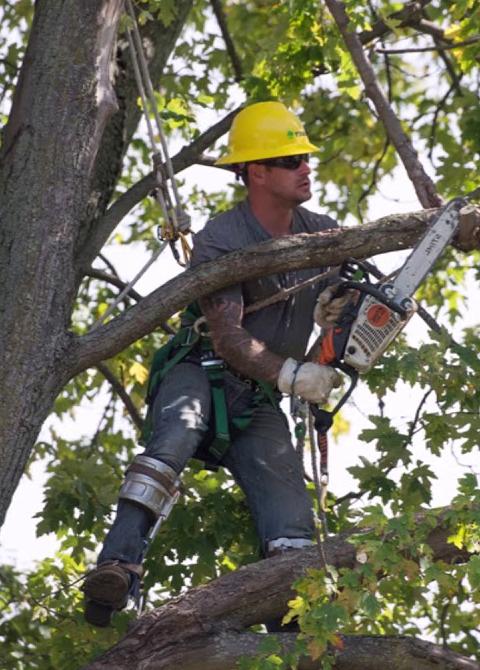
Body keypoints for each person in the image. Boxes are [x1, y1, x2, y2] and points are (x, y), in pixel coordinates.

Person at [82, 101, 352, 627]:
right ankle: (117, 566)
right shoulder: (222, 238)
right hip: (201, 369)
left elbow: (360, 307)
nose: (306, 167)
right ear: (256, 171)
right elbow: (228, 338)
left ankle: (292, 623)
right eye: (292, 158)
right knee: (175, 435)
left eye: (304, 158)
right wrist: (294, 375)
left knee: (293, 518)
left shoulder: (324, 233)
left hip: (258, 397)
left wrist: (336, 315)